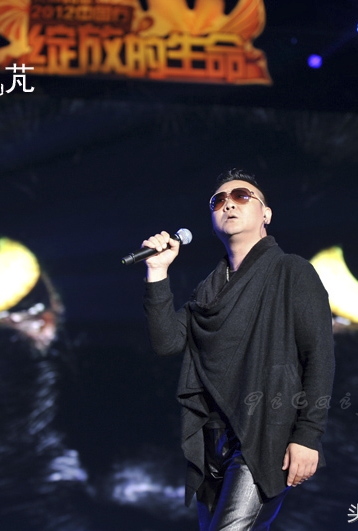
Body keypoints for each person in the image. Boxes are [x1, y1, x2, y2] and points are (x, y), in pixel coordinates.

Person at [141, 169, 335, 530]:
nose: (228, 204)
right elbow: (167, 342)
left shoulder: (292, 271)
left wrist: (308, 436)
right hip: (211, 440)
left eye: (242, 196)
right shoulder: (208, 289)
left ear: (266, 214)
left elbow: (319, 356)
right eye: (218, 200)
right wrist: (157, 271)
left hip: (263, 436)